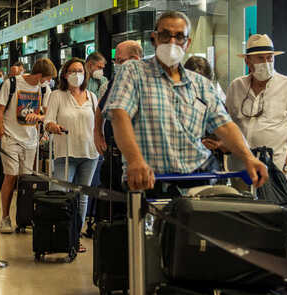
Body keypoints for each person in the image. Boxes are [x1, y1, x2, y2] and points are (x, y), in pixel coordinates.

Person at [103, 10, 268, 192]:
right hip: (148, 179)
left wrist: (249, 158)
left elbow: (225, 126)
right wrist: (134, 160)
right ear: (154, 38)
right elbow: (120, 114)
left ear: (187, 43)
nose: (172, 42)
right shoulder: (133, 72)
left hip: (198, 176)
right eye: (165, 35)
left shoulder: (200, 84)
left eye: (180, 37)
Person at [224, 35, 287, 195]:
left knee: (277, 215)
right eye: (260, 58)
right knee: (242, 215)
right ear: (247, 61)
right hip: (241, 170)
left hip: (276, 170)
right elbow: (228, 124)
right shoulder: (236, 86)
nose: (266, 63)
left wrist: (285, 166)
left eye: (270, 58)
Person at [0, 59, 57, 233]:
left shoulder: (45, 89)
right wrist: (2, 135)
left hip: (31, 140)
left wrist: (39, 117)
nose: (47, 81)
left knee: (26, 181)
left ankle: (24, 217)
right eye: (46, 78)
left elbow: (48, 114)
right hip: (11, 139)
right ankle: (5, 218)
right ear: (38, 75)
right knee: (10, 176)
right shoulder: (12, 83)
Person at [45, 58, 99, 252]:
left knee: (81, 197)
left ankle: (74, 237)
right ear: (65, 74)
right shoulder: (57, 95)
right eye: (72, 71)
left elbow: (98, 123)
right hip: (65, 153)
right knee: (59, 194)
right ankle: (58, 236)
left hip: (89, 153)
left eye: (80, 70)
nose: (77, 74)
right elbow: (48, 120)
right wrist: (52, 126)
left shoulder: (92, 97)